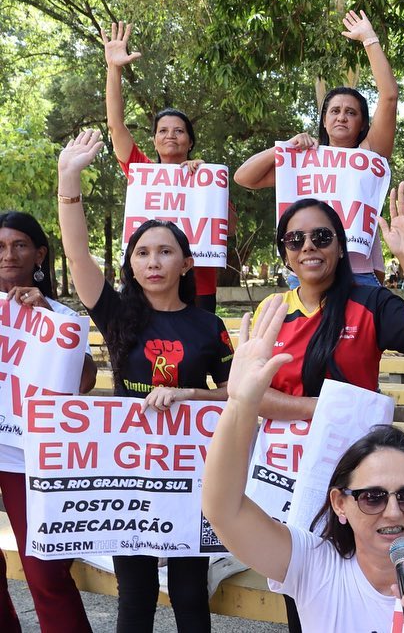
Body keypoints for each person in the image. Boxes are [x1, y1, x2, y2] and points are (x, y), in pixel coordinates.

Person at [201, 295, 404, 632]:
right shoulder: (312, 564)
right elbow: (223, 509)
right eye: (373, 497)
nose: (393, 512)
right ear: (340, 503)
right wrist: (240, 404)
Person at [57, 130, 233, 632]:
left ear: (186, 262)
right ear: (131, 265)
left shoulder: (208, 325)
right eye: (143, 253)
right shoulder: (115, 313)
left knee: (189, 594)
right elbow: (76, 255)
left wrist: (188, 394)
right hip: (130, 471)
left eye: (165, 252)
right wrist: (69, 180)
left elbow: (234, 395)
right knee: (134, 597)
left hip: (190, 474)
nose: (153, 262)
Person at [250, 189, 404, 423]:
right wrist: (321, 408)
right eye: (295, 239)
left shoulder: (372, 303)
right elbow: (253, 392)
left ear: (341, 247)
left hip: (354, 453)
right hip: (283, 456)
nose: (308, 245)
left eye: (321, 236)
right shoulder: (271, 309)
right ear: (285, 255)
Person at [234, 10, 396, 286]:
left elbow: (389, 95)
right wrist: (284, 148)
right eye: (334, 111)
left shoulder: (370, 154)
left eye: (351, 112)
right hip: (306, 276)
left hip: (358, 275)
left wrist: (369, 39)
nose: (341, 116)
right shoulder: (303, 159)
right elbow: (243, 177)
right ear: (324, 120)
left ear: (362, 124)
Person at [0, 211, 95, 633]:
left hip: (28, 459)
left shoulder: (57, 313)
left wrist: (45, 321)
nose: (8, 255)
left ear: (39, 254)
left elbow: (85, 379)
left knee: (45, 573)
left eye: (19, 245)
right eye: (0, 246)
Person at [101, 21, 228, 312]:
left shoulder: (209, 180)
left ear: (190, 142)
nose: (170, 135)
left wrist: (209, 187)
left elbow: (228, 228)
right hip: (147, 283)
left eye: (179, 130)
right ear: (155, 141)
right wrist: (114, 68)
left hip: (199, 285)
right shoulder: (139, 170)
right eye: (163, 131)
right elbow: (115, 124)